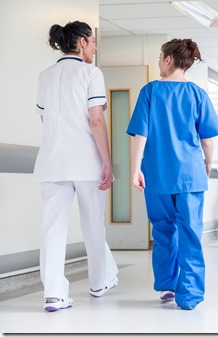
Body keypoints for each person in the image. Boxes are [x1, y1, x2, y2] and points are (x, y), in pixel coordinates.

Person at [126, 38, 218, 311]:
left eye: (159, 57)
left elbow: (141, 134)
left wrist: (136, 169)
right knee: (190, 233)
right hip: (190, 176)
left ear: (168, 59)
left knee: (164, 230)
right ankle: (189, 296)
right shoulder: (197, 94)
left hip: (157, 174)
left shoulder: (150, 92)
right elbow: (208, 140)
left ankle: (168, 286)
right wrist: (207, 163)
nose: (158, 61)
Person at [34, 21, 118, 312]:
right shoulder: (91, 73)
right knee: (92, 222)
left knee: (52, 228)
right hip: (85, 161)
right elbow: (96, 120)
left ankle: (54, 294)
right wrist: (107, 162)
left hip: (52, 162)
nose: (95, 47)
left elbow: (45, 120)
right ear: (82, 42)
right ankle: (99, 281)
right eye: (93, 41)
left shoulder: (45, 76)